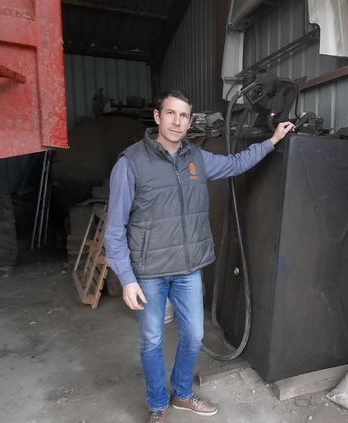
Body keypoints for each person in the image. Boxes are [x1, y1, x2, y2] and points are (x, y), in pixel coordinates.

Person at [105, 89, 294, 422]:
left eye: (184, 116)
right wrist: (127, 278)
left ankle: (183, 393)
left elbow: (236, 164)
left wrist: (272, 141)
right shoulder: (130, 163)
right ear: (157, 117)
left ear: (189, 122)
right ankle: (157, 403)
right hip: (149, 272)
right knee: (152, 340)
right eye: (171, 114)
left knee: (193, 335)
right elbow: (115, 229)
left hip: (188, 269)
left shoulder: (197, 158)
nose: (177, 121)